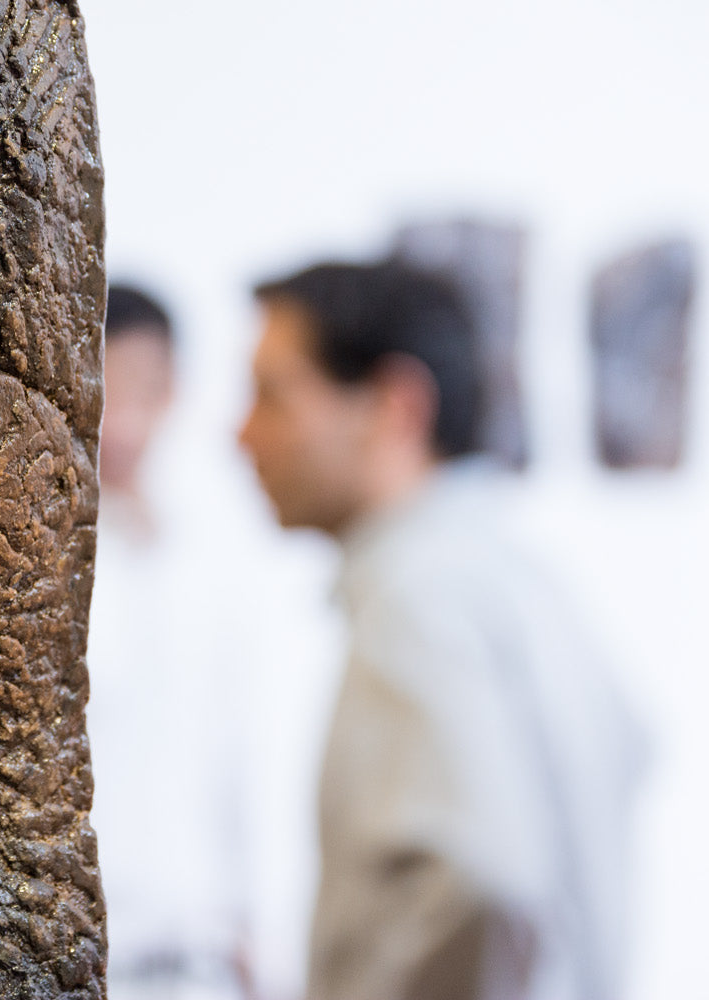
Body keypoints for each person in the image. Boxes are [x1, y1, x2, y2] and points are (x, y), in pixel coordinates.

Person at [236, 260, 645, 1000]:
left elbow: (483, 874)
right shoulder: (515, 578)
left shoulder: (419, 600)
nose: (241, 433)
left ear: (395, 404)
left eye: (273, 396)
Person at [88, 284, 254, 1000]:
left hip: (202, 961)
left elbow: (239, 759)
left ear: (175, 392)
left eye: (146, 387)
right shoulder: (25, 569)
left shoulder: (213, 560)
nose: (124, 418)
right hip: (81, 959)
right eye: (105, 384)